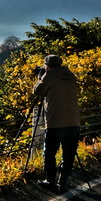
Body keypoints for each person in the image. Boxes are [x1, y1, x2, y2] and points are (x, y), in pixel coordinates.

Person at [33, 54, 80, 192]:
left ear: (48, 65)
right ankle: (63, 182)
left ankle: (50, 180)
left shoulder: (49, 76)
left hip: (56, 122)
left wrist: (40, 77)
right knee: (69, 153)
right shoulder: (70, 76)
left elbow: (38, 92)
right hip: (73, 121)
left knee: (49, 153)